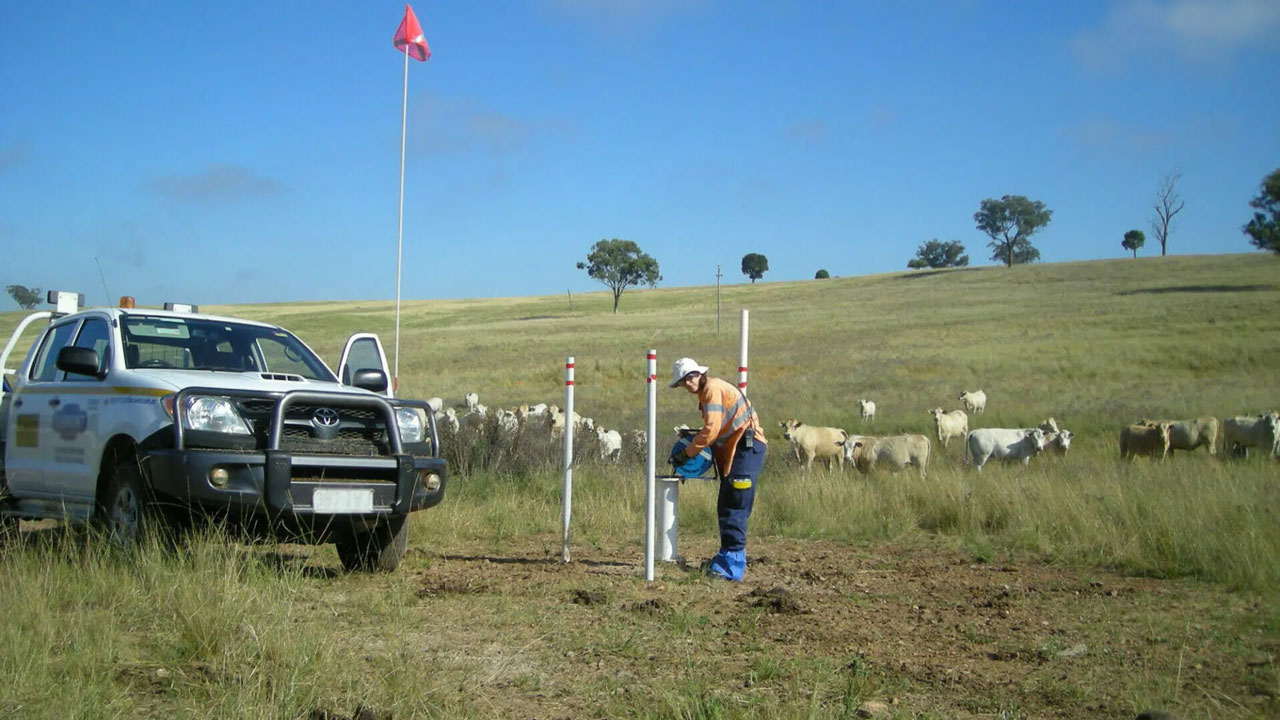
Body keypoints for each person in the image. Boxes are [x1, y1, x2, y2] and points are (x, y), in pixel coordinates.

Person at [668, 357, 767, 581]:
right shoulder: (708, 393)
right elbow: (717, 433)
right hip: (741, 449)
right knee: (727, 504)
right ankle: (727, 557)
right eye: (683, 382)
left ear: (699, 374)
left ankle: (730, 567)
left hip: (747, 447)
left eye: (690, 378)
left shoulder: (712, 390)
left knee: (734, 504)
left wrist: (688, 453)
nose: (687, 384)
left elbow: (711, 431)